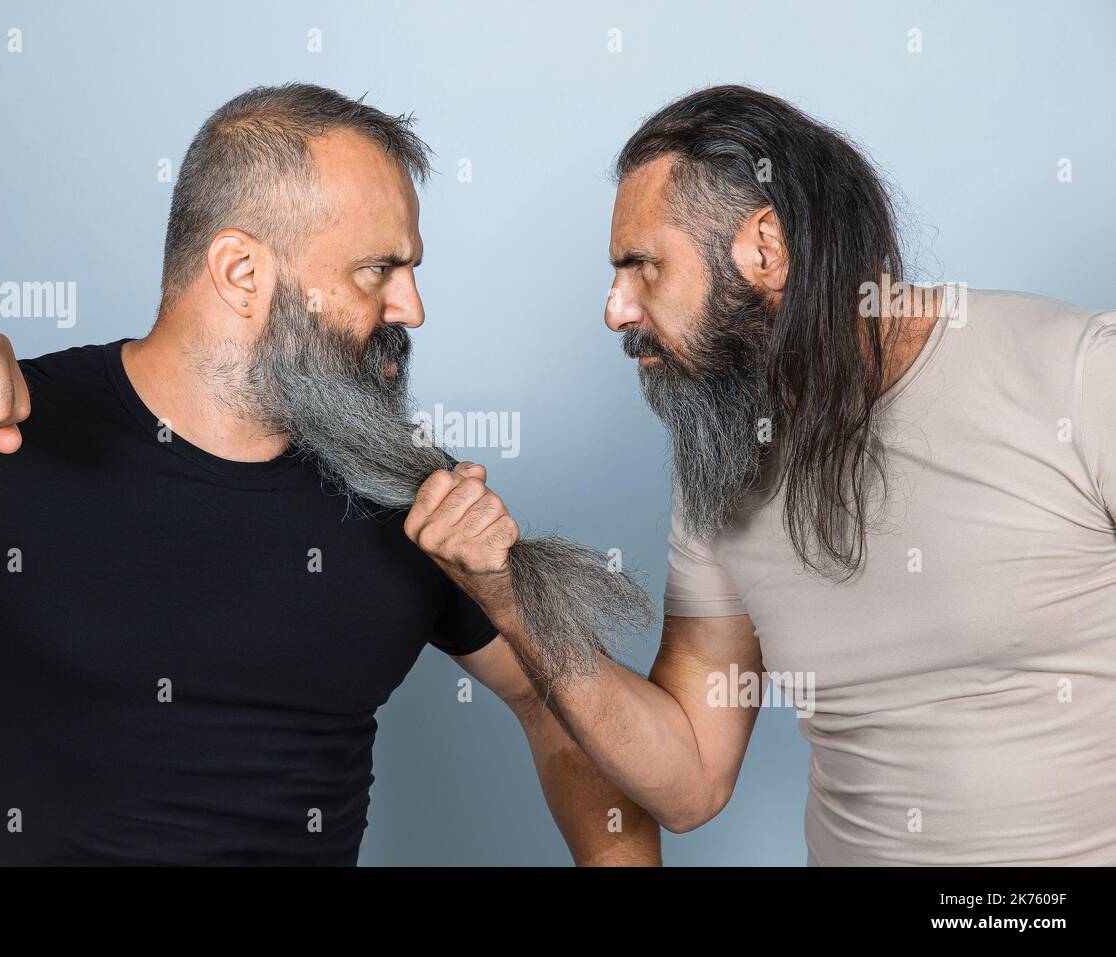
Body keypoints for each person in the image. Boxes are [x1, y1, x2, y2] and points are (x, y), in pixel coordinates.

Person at [0, 83, 660, 866]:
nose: (411, 308)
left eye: (411, 271)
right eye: (379, 270)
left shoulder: (414, 498)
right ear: (242, 273)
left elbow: (568, 713)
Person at [411, 85, 1116, 865]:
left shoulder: (1078, 375)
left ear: (766, 248)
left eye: (642, 266)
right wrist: (511, 598)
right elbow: (690, 780)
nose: (615, 309)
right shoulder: (723, 463)